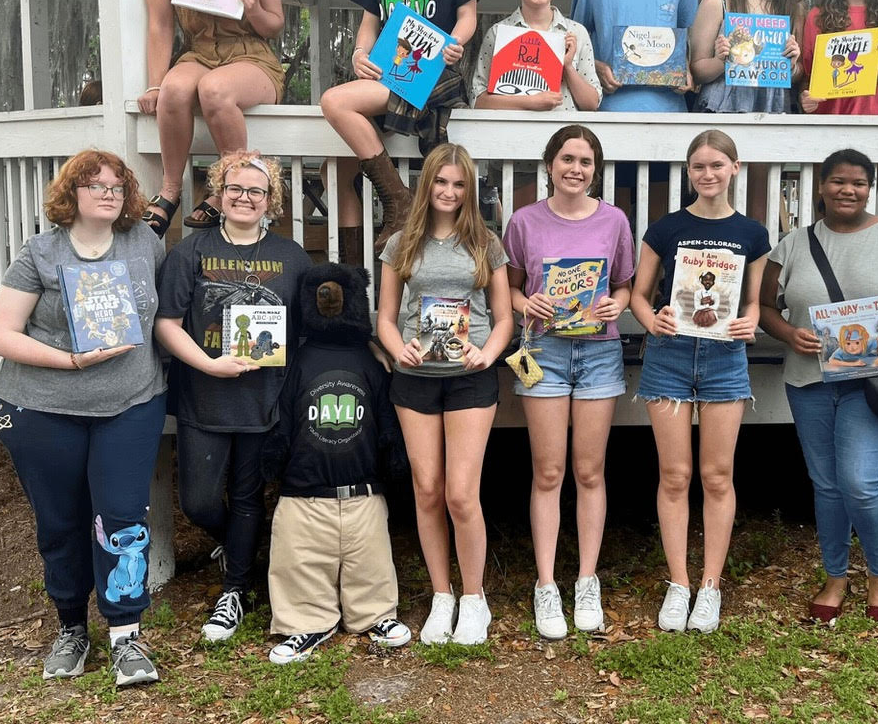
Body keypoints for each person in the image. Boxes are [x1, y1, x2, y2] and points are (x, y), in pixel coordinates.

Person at [0, 150, 167, 686]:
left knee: (122, 520)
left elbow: (165, 313)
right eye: (95, 185)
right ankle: (71, 627)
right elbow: (0, 335)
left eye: (117, 185)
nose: (108, 193)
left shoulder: (145, 243)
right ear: (72, 194)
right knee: (61, 521)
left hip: (130, 401)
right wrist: (71, 360)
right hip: (43, 405)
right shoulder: (41, 251)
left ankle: (125, 636)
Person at [758, 148, 878, 622]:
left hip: (873, 381)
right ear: (820, 187)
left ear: (870, 188)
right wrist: (787, 334)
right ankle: (836, 575)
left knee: (859, 482)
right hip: (810, 379)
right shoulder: (794, 245)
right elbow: (765, 306)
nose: (848, 190)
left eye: (859, 183)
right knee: (826, 484)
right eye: (838, 181)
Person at [154, 152, 312, 643]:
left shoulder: (292, 257)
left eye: (256, 192)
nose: (245, 198)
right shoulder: (191, 251)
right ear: (219, 195)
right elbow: (166, 324)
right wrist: (208, 363)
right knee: (198, 502)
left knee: (248, 496)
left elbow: (304, 329)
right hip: (205, 391)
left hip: (265, 396)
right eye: (235, 189)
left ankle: (235, 589)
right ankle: (241, 548)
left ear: (271, 201)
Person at [629, 130, 769, 633]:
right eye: (697, 167)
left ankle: (710, 585)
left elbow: (753, 301)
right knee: (674, 476)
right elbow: (639, 295)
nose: (707, 175)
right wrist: (652, 321)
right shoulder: (666, 229)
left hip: (725, 358)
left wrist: (750, 322)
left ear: (735, 167)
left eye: (716, 165)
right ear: (688, 173)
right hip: (668, 356)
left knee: (716, 476)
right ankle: (678, 583)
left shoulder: (752, 233)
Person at [377, 144, 514, 645]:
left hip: (470, 376)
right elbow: (386, 318)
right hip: (415, 380)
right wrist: (398, 350)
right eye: (441, 183)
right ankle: (442, 595)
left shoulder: (486, 243)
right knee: (428, 489)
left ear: (469, 190)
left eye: (459, 185)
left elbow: (503, 319)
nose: (450, 193)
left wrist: (488, 353)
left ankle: (474, 598)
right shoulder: (401, 244)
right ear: (427, 185)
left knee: (460, 493)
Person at [320, 0, 489, 259]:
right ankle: (361, 251)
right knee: (342, 160)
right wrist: (361, 52)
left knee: (333, 101)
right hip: (387, 70)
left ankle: (396, 200)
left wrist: (455, 42)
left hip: (433, 72)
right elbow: (369, 22)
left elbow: (468, 17)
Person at [503, 125, 635, 639]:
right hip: (544, 353)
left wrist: (615, 306)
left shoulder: (614, 220)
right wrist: (525, 303)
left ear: (595, 169)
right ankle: (545, 585)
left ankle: (585, 580)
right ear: (550, 164)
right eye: (566, 159)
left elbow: (623, 287)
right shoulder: (524, 221)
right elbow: (510, 288)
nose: (575, 169)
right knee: (548, 471)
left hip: (599, 353)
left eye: (585, 161)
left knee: (589, 470)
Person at [263, 262, 412, 662]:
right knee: (299, 560)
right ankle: (305, 622)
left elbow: (384, 414)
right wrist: (274, 458)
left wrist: (393, 457)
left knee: (372, 560)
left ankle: (374, 613)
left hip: (362, 487)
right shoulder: (297, 358)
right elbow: (282, 417)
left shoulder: (371, 361)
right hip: (304, 493)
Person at [136, 0, 286, 237]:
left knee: (215, 89)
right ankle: (170, 192)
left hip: (251, 56)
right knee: (173, 88)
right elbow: (160, 22)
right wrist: (154, 83)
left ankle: (224, 190)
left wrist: (252, 8)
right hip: (199, 51)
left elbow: (274, 25)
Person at [470, 0, 601, 112]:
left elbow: (592, 104)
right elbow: (477, 100)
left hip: (565, 135)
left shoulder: (576, 32)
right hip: (510, 135)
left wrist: (567, 67)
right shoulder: (498, 32)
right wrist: (530, 102)